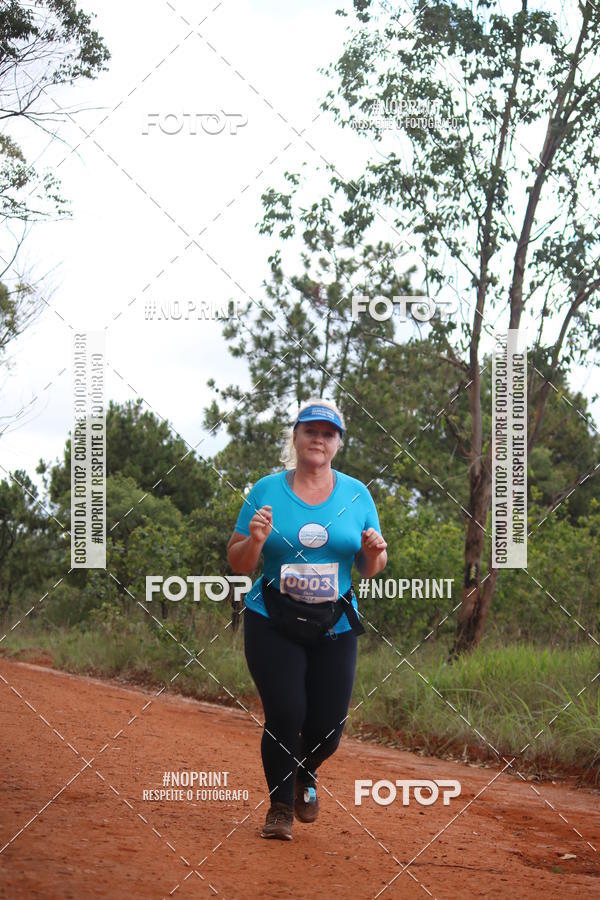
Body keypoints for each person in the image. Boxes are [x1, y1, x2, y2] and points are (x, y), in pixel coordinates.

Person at [227, 398, 387, 841]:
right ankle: (279, 807)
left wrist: (375, 553)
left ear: (337, 443)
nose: (319, 439)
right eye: (310, 431)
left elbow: (372, 564)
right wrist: (256, 540)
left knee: (329, 727)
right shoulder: (266, 490)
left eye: (328, 433)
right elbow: (239, 563)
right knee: (286, 712)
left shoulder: (356, 494)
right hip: (271, 616)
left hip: (333, 621)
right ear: (295, 437)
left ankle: (305, 772)